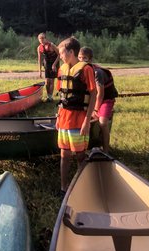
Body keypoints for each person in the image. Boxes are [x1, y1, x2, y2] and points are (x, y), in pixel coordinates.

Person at [55, 37, 97, 196]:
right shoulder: (62, 70)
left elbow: (93, 94)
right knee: (64, 155)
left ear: (71, 52)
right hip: (64, 119)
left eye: (61, 53)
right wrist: (58, 116)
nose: (60, 56)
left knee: (80, 156)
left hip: (79, 120)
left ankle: (84, 187)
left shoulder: (86, 69)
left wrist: (87, 120)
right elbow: (61, 96)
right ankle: (63, 188)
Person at [78, 47, 118, 153]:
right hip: (92, 99)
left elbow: (100, 93)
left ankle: (106, 151)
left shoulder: (97, 72)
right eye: (79, 58)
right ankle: (85, 147)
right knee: (83, 119)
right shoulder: (81, 70)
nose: (81, 60)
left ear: (90, 60)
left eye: (84, 58)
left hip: (106, 99)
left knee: (102, 123)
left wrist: (95, 110)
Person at [37, 33, 60, 102]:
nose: (42, 40)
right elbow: (40, 59)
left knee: (52, 80)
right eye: (40, 39)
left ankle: (50, 97)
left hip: (54, 63)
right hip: (47, 63)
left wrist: (54, 64)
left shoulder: (52, 45)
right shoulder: (39, 48)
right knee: (47, 81)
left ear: (46, 38)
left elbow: (59, 55)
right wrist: (40, 71)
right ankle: (48, 96)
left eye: (43, 38)